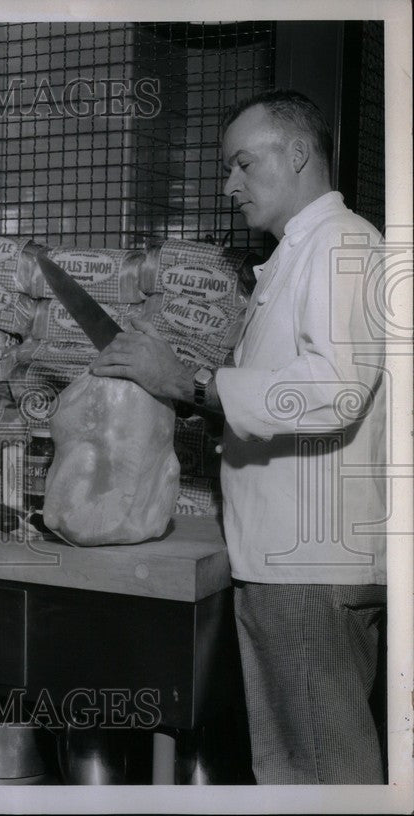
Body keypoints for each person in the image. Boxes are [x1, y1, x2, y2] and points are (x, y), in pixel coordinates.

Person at [91, 89, 387, 784]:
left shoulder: (343, 246)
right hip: (291, 563)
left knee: (316, 777)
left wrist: (193, 385)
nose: (230, 186)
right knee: (302, 767)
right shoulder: (301, 256)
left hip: (307, 565)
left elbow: (333, 389)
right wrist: (189, 391)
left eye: (244, 165)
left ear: (299, 154)